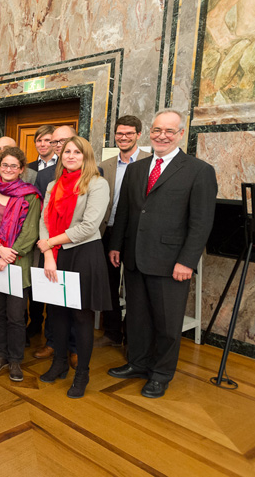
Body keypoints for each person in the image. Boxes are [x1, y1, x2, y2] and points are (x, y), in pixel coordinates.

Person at [108, 109, 218, 399]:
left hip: (172, 263)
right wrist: (116, 244)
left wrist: (187, 261)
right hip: (133, 257)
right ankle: (138, 364)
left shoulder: (199, 171)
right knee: (137, 318)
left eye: (170, 131)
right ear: (150, 133)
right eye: (157, 130)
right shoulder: (136, 168)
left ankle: (160, 374)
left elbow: (201, 222)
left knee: (168, 325)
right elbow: (125, 213)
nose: (162, 136)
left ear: (181, 134)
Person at [37, 136, 111, 399]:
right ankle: (58, 363)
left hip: (83, 254)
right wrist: (47, 254)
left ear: (86, 156)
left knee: (81, 317)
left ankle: (82, 374)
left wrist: (49, 243)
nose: (70, 155)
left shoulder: (97, 184)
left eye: (76, 152)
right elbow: (44, 219)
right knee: (56, 312)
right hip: (55, 255)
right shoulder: (52, 185)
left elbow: (90, 226)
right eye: (67, 151)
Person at [0, 147, 41, 380]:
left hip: (18, 263)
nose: (8, 169)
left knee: (15, 315)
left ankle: (15, 360)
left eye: (14, 166)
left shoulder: (31, 195)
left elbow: (31, 230)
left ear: (22, 169)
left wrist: (10, 254)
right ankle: (0, 355)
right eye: (4, 165)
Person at [95, 115, 151, 348]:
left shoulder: (151, 161)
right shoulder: (106, 165)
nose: (124, 137)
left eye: (129, 133)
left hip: (139, 233)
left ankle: (133, 336)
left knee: (136, 286)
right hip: (108, 230)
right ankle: (112, 332)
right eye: (120, 133)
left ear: (139, 135)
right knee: (108, 283)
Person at [31, 124, 77, 357]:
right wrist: (47, 246)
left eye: (64, 141)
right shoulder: (45, 175)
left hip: (77, 247)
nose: (60, 146)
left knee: (75, 300)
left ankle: (74, 347)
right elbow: (42, 215)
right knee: (52, 297)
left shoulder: (93, 172)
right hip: (50, 247)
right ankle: (52, 342)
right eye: (56, 142)